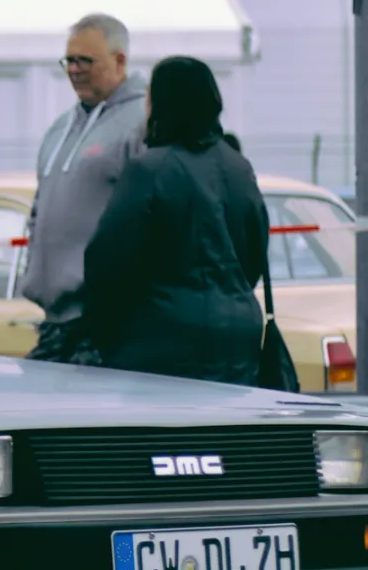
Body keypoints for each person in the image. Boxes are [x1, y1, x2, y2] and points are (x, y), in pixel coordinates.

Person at [79, 56, 268, 385]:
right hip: (238, 336)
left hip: (160, 339)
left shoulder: (148, 170)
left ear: (162, 102)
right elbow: (255, 253)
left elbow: (106, 261)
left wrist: (106, 333)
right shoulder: (238, 167)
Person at [19, 13, 148, 363]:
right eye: (69, 61)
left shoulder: (142, 123)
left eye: (85, 61)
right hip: (55, 320)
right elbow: (39, 209)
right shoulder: (61, 128)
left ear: (119, 61)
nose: (74, 70)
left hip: (105, 321)